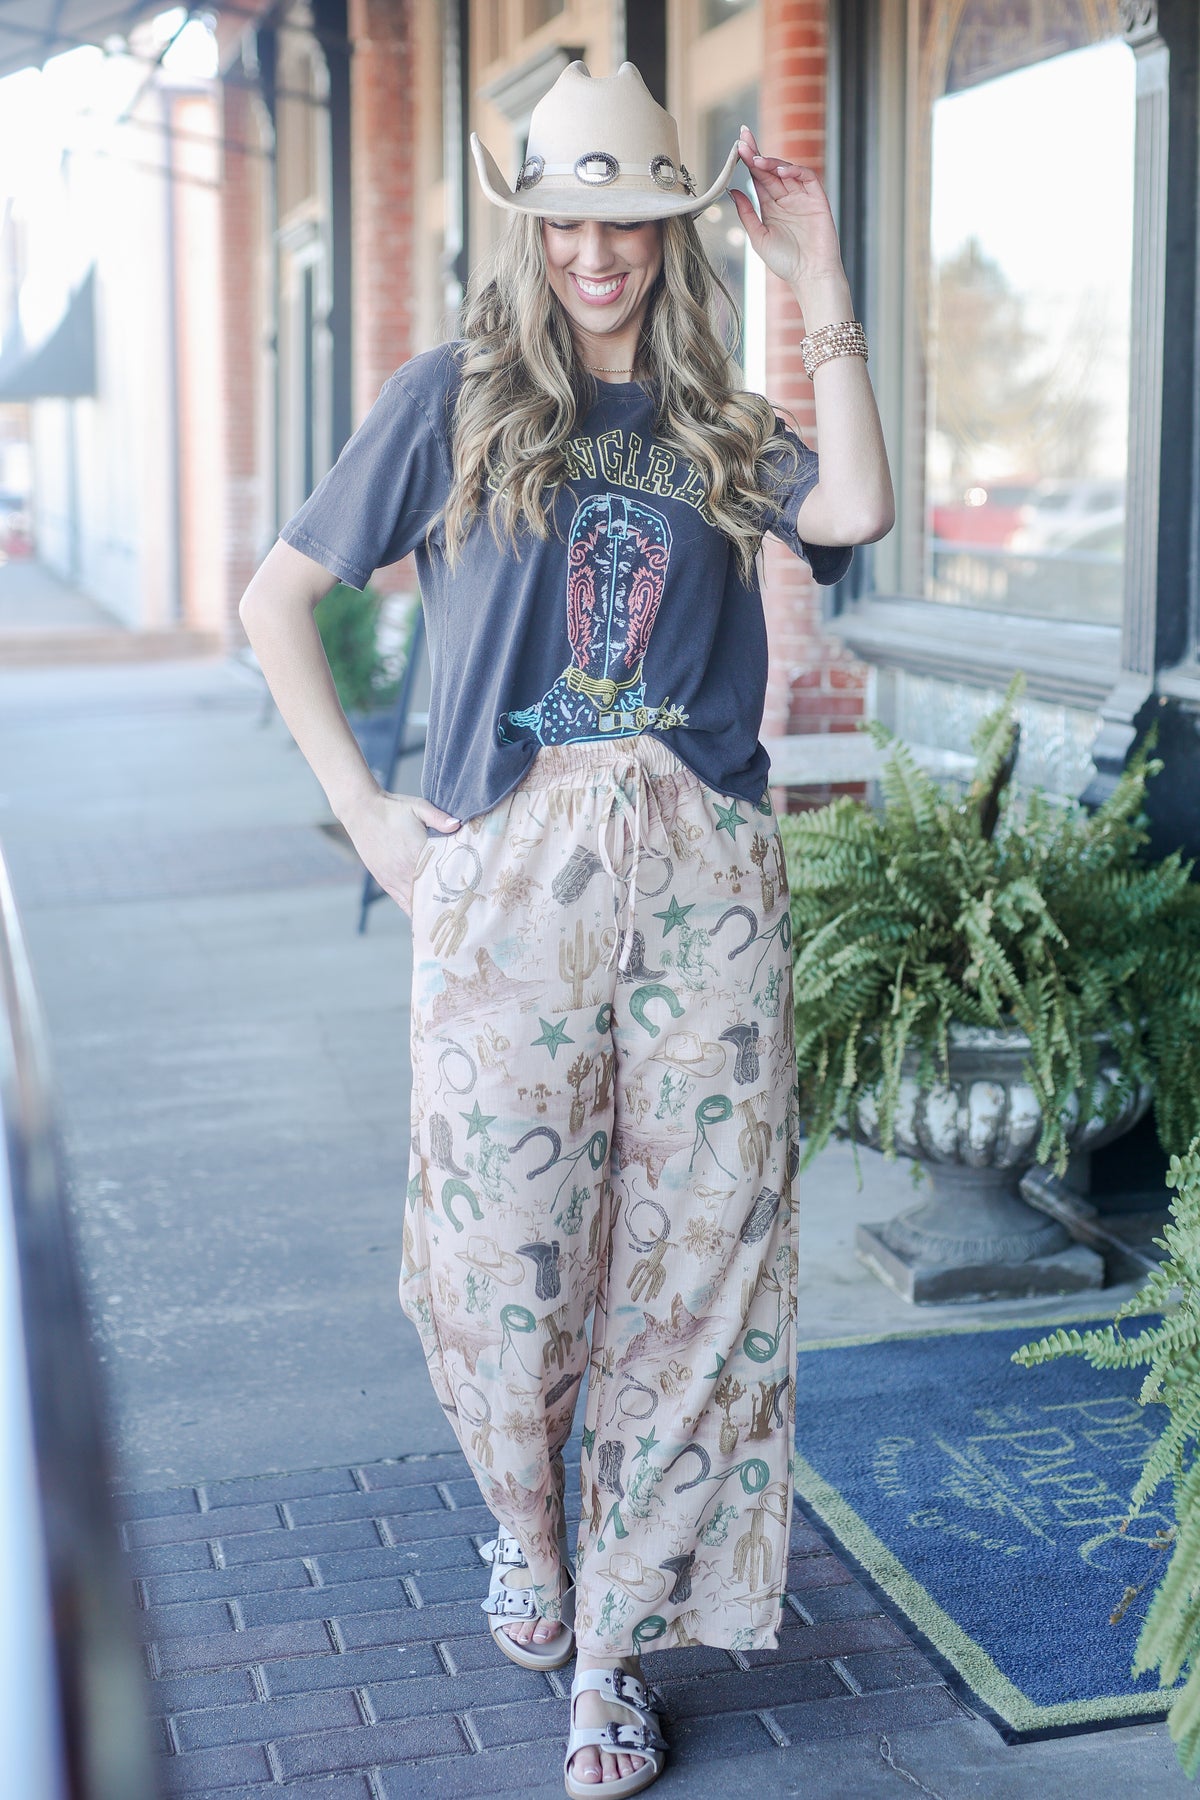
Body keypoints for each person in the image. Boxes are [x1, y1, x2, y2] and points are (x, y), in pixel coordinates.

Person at [239, 58, 893, 1800]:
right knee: (500, 1264)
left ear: (674, 232)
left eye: (631, 219)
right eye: (569, 218)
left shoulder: (709, 414)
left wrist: (814, 287)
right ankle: (527, 1532)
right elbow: (275, 601)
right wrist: (373, 821)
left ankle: (614, 1647)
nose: (599, 250)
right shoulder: (450, 396)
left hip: (701, 873)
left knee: (700, 1266)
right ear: (527, 226)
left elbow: (854, 516)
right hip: (508, 876)